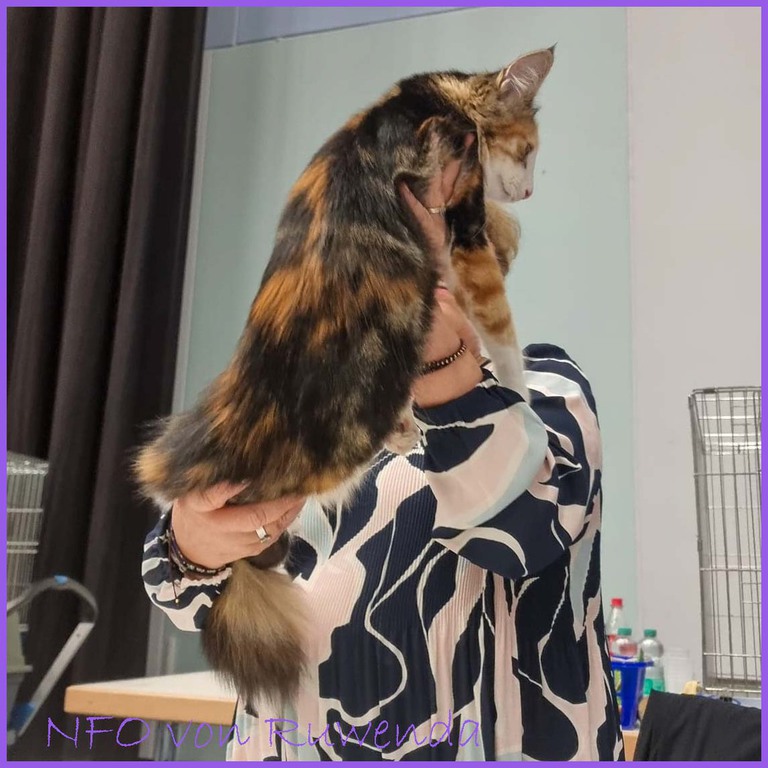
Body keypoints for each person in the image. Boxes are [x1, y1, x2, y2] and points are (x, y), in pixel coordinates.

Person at [141, 140, 624, 761]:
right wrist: (193, 548)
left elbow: (521, 532)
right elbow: (186, 600)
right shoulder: (294, 413)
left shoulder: (542, 391)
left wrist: (439, 367)